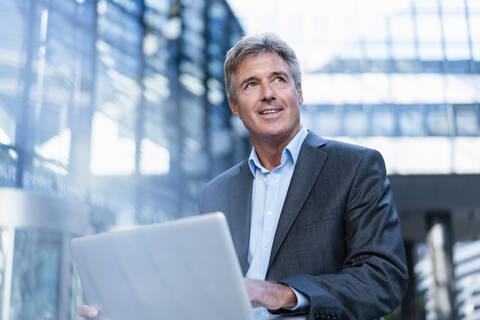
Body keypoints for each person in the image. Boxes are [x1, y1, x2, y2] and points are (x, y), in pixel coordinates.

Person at [80, 33, 408, 320]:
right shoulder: (217, 193)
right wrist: (130, 312)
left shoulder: (354, 167)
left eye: (279, 79)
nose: (268, 93)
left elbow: (382, 279)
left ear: (299, 92)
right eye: (251, 84)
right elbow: (201, 296)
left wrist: (281, 293)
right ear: (235, 106)